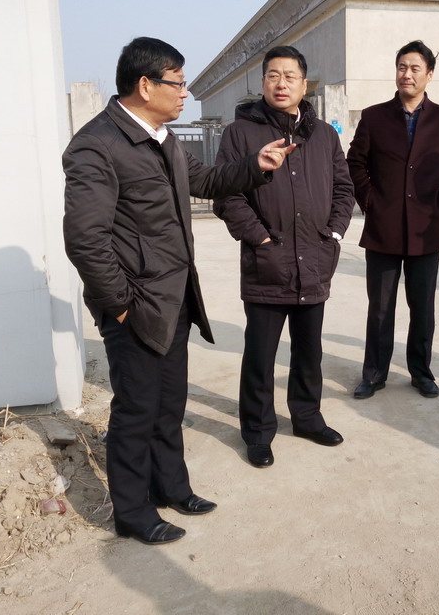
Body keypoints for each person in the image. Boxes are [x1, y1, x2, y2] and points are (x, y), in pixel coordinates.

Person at [63, 37, 295, 544]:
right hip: (135, 305)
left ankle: (171, 486)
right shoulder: (97, 145)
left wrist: (256, 165)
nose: (185, 93)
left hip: (174, 297)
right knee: (136, 409)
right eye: (179, 83)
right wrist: (120, 306)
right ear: (146, 86)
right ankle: (132, 511)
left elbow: (207, 180)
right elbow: (85, 239)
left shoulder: (163, 138)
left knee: (169, 404)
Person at [213, 46, 354, 468]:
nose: (281, 83)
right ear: (262, 83)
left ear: (304, 84)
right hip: (267, 263)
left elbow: (344, 189)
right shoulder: (240, 133)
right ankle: (258, 432)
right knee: (260, 355)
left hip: (315, 260)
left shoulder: (324, 135)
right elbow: (227, 193)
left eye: (290, 76)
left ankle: (307, 417)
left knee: (309, 351)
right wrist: (260, 239)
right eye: (273, 75)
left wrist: (333, 233)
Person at [347, 40, 439, 400]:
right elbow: (355, 163)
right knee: (380, 308)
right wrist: (370, 202)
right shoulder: (374, 117)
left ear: (429, 75)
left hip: (426, 231)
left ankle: (421, 372)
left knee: (422, 308)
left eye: (415, 68)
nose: (407, 74)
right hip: (382, 229)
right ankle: (374, 374)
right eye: (402, 67)